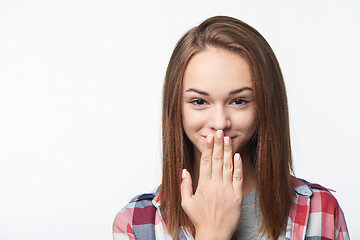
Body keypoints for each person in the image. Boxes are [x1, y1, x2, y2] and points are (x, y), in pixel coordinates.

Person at [113, 16, 349, 240]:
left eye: (239, 101)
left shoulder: (321, 211)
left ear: (264, 107)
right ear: (177, 108)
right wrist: (212, 232)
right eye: (199, 102)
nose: (219, 123)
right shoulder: (135, 222)